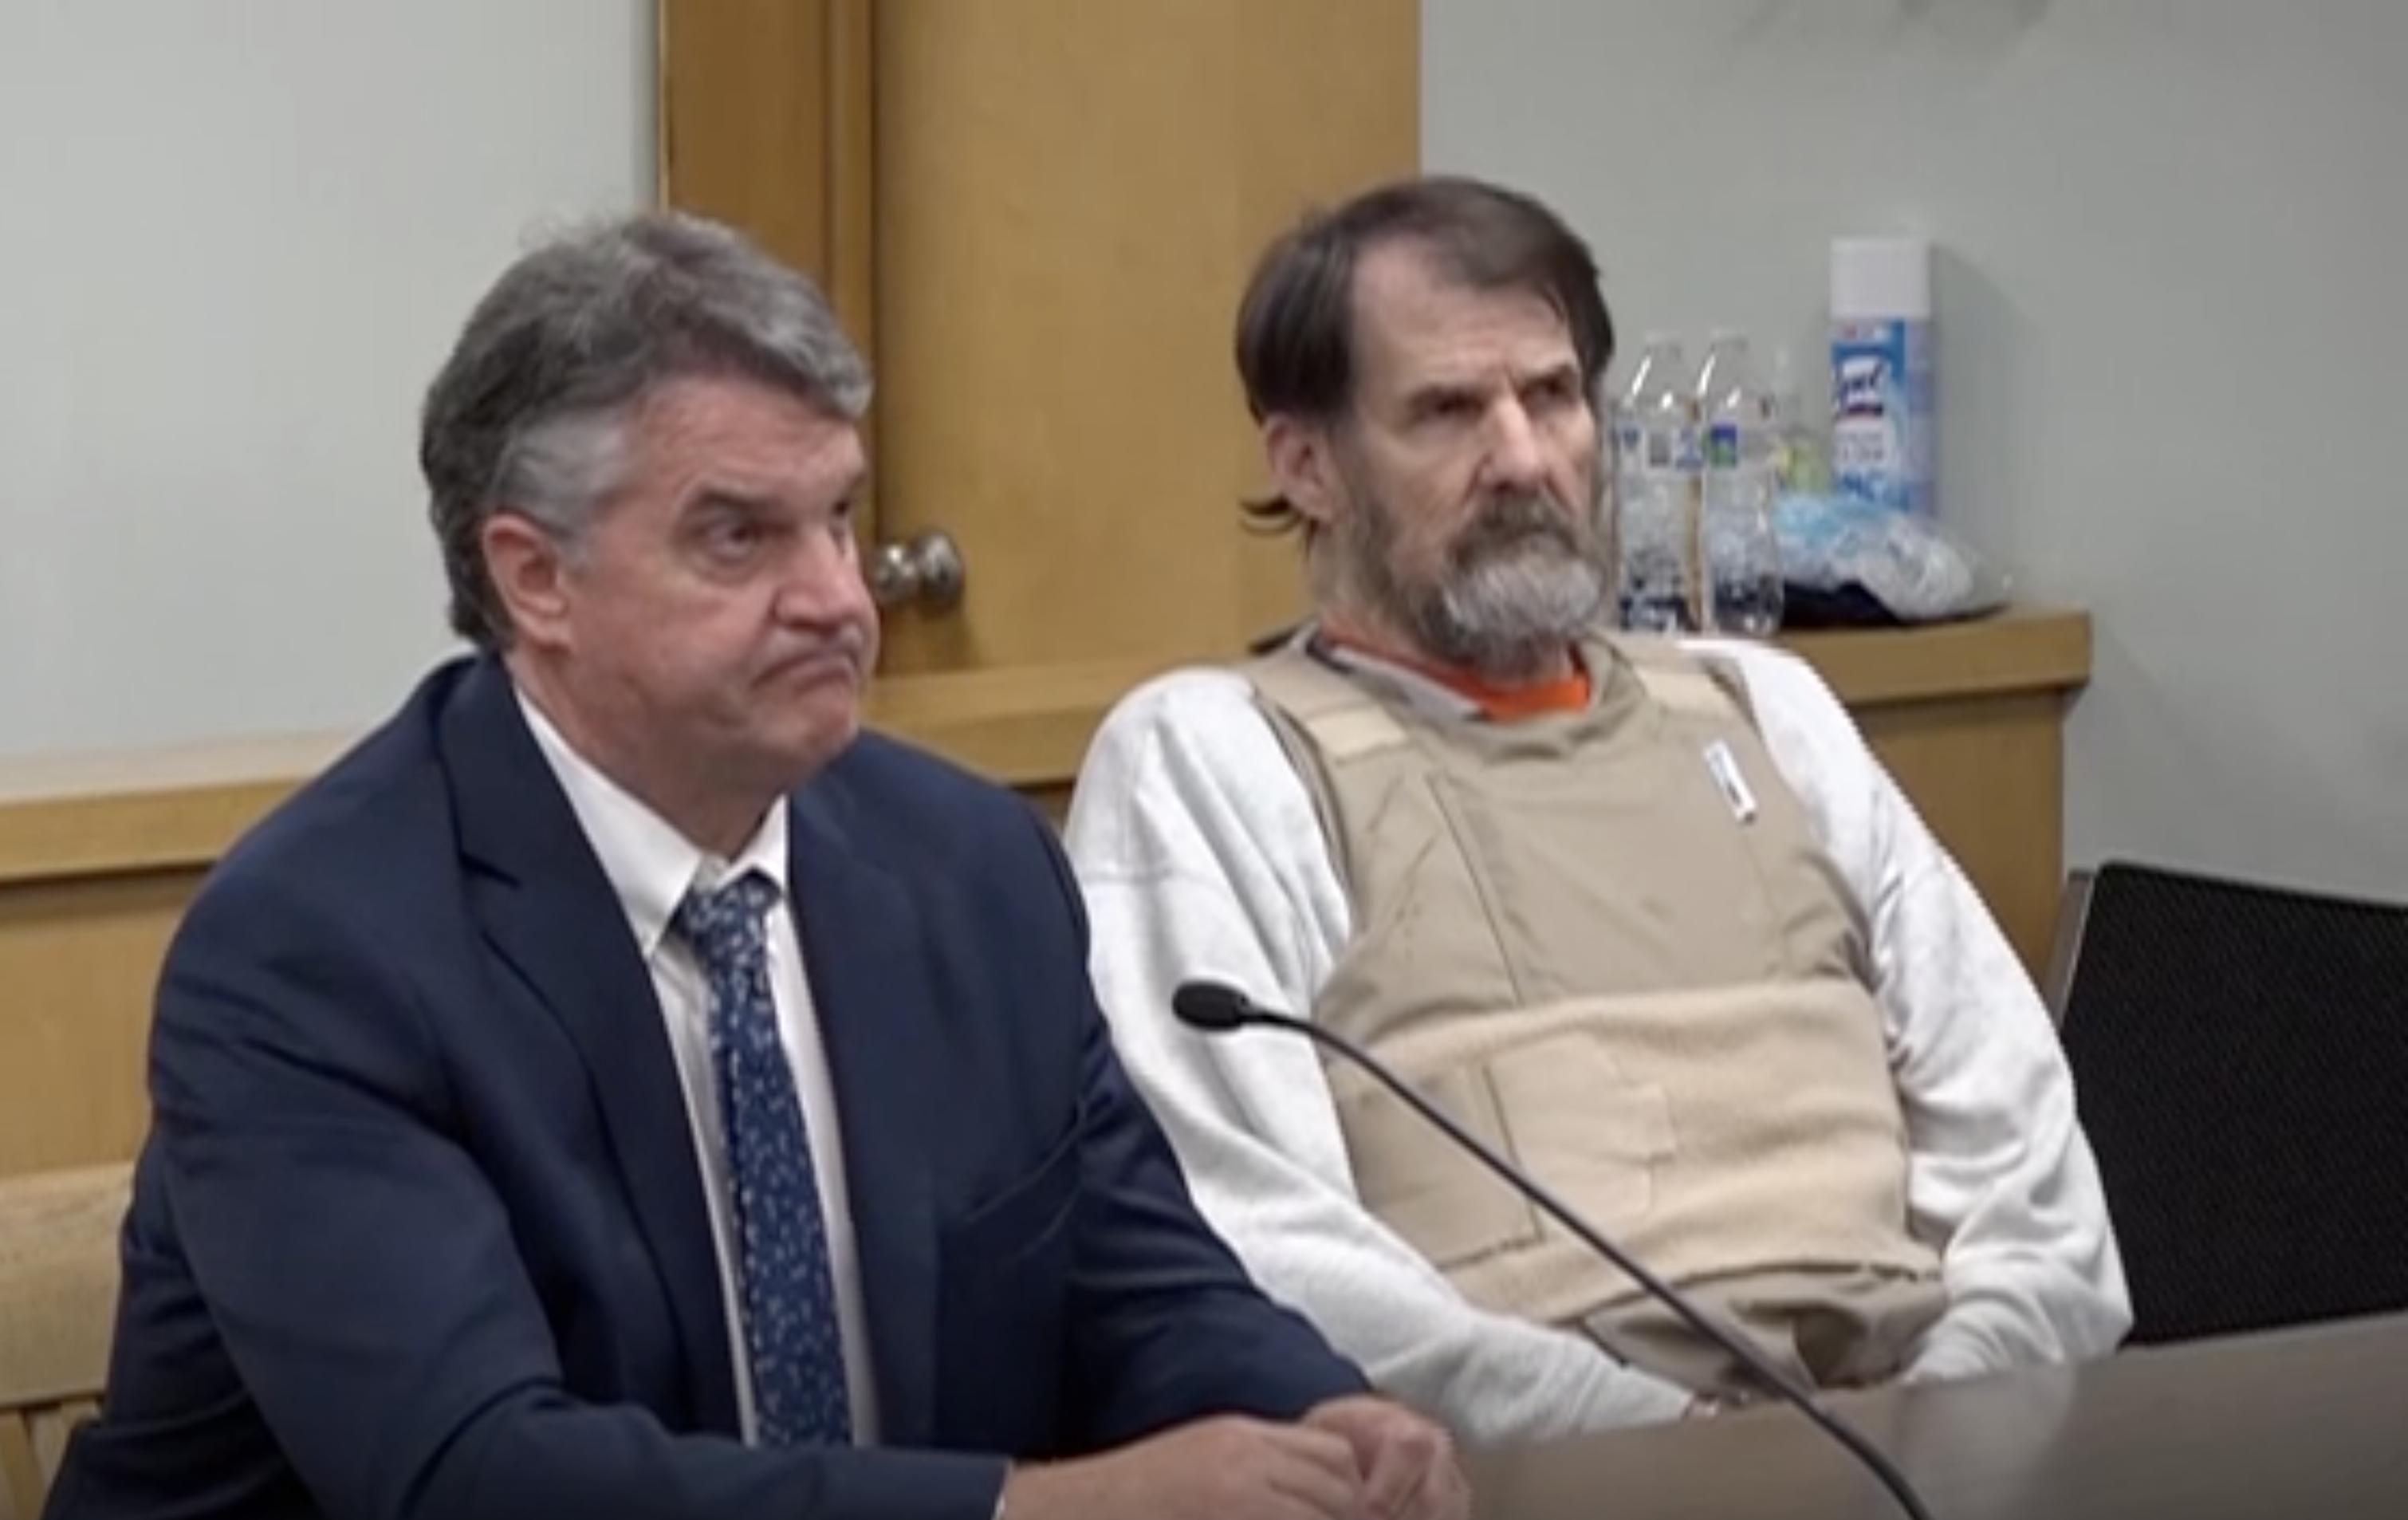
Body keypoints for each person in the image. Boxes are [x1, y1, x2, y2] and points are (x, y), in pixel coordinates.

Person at [48, 211, 1468, 1520]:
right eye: (739, 537)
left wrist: (1317, 1408)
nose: (839, 599)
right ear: (537, 578)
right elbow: (480, 1476)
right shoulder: (319, 951)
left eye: (840, 518)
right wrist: (1038, 1512)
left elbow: (1133, 1282)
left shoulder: (967, 867)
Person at [1061, 175, 2131, 1445]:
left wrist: (1958, 1419)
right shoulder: (1213, 758)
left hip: (1932, 1449)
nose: (1523, 460)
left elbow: (2028, 1175)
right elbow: (1252, 1245)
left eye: (1554, 396)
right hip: (1546, 1473)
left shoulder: (1766, 711)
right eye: (1448, 411)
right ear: (1309, 465)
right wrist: (1678, 1452)